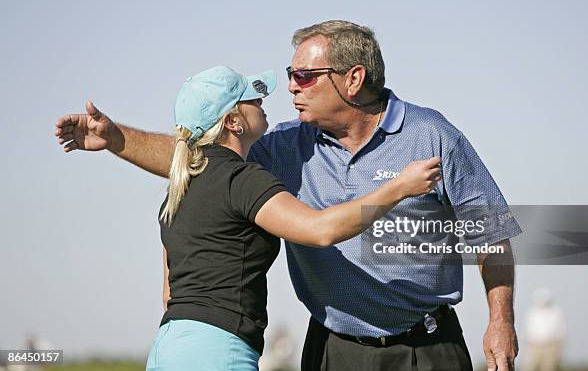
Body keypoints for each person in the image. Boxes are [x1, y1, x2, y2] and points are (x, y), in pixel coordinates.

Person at [55, 20, 521, 371]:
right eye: (290, 74)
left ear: (353, 80)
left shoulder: (433, 136)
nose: (291, 88)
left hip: (429, 346)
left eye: (305, 76)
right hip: (333, 349)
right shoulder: (281, 146)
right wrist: (117, 140)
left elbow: (491, 234)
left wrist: (500, 319)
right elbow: (200, 161)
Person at [65, 64, 440, 370]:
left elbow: (169, 292)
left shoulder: (182, 185)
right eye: (251, 98)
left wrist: (115, 138)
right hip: (218, 351)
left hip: (170, 347)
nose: (263, 100)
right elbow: (320, 230)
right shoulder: (240, 178)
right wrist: (399, 188)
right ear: (233, 122)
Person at [524, 289, 565, 371]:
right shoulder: (532, 312)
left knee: (549, 367)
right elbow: (527, 329)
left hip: (551, 344)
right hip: (535, 345)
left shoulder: (556, 311)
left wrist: (560, 347)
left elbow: (561, 330)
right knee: (531, 367)